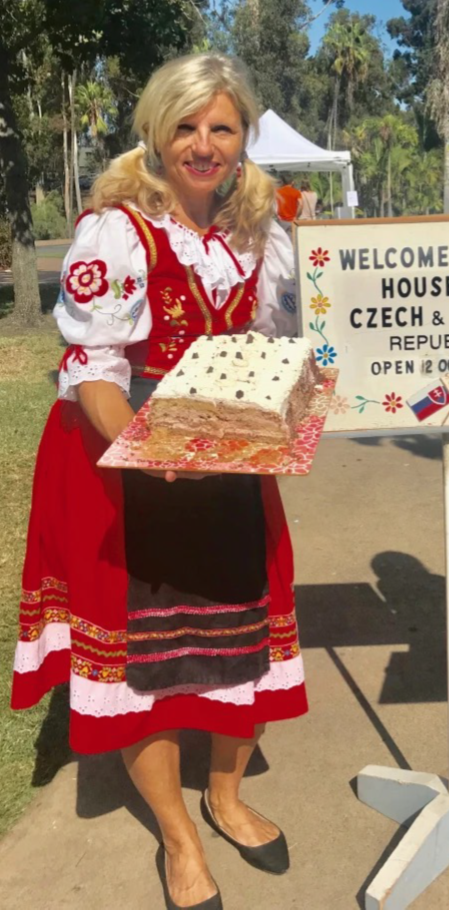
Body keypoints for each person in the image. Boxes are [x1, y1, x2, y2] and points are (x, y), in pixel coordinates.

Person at [12, 53, 306, 911]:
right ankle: (180, 838)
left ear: (243, 134)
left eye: (222, 127)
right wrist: (148, 444)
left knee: (242, 630)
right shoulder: (116, 230)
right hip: (124, 458)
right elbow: (93, 368)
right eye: (187, 126)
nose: (205, 145)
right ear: (155, 130)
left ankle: (227, 794)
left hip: (232, 452)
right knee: (145, 659)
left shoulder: (263, 228)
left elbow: (283, 346)